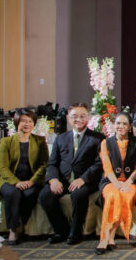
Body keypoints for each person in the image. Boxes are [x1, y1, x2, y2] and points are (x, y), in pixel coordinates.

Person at [39, 104, 104, 245]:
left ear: (88, 118)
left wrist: (83, 179)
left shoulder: (98, 138)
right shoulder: (60, 138)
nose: (78, 119)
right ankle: (61, 230)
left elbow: (99, 163)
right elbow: (52, 163)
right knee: (45, 196)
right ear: (68, 118)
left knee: (78, 195)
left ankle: (75, 232)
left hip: (86, 181)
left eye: (82, 116)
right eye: (74, 116)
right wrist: (53, 180)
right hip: (63, 179)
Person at [0, 109, 49, 245]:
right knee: (13, 193)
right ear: (17, 122)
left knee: (29, 193)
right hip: (10, 181)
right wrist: (16, 182)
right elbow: (2, 167)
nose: (27, 124)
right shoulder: (6, 142)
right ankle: (13, 230)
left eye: (30, 121)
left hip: (32, 180)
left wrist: (32, 181)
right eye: (23, 121)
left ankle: (20, 222)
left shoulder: (39, 141)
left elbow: (44, 165)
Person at [95, 112, 136, 254]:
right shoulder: (106, 143)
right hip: (111, 181)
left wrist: (127, 183)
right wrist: (117, 184)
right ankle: (105, 237)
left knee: (125, 195)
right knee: (113, 195)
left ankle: (111, 235)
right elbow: (107, 168)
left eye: (124, 124)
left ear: (130, 126)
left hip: (131, 181)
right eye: (118, 123)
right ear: (114, 125)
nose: (121, 126)